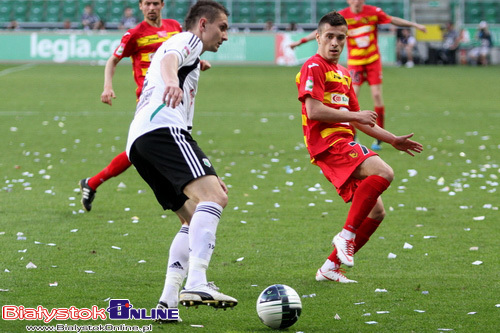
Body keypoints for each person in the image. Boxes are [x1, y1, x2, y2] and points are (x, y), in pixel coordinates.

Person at [125, 0, 236, 315]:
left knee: (192, 217)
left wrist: (205, 173)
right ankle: (197, 281)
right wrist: (173, 81)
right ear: (203, 24)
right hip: (161, 130)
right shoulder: (186, 39)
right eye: (222, 27)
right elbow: (170, 60)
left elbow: (185, 126)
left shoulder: (191, 54)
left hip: (140, 141)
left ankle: (168, 299)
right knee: (214, 197)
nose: (225, 36)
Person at [296, 11, 423, 283]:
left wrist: (393, 139)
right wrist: (355, 117)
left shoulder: (344, 73)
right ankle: (346, 235)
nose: (335, 43)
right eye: (329, 36)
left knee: (377, 212)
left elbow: (364, 121)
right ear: (318, 37)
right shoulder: (314, 66)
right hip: (328, 143)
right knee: (384, 172)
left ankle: (330, 268)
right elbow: (314, 110)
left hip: (344, 141)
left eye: (340, 38)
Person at [79, 0, 183, 212]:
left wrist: (198, 63)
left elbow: (182, 55)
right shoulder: (135, 34)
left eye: (155, 3)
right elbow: (112, 61)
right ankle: (185, 194)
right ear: (140, 6)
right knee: (145, 148)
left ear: (162, 4)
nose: (151, 7)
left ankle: (92, 183)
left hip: (174, 96)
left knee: (137, 151)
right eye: (147, 3)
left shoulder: (175, 27)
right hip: (149, 99)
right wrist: (107, 87)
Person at [290, 0, 426, 151]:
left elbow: (392, 19)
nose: (356, 1)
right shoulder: (341, 17)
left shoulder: (373, 12)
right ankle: (352, 137)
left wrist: (415, 25)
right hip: (355, 62)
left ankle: (378, 137)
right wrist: (300, 42)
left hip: (373, 60)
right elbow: (322, 31)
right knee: (349, 101)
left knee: (376, 96)